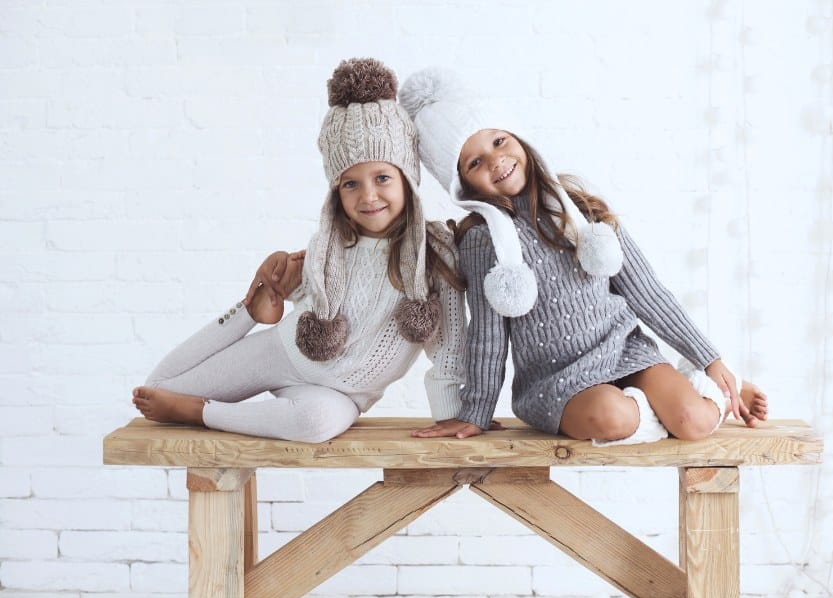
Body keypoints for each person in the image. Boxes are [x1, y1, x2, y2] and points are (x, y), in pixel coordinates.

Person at [398, 68, 767, 444]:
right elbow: (487, 335)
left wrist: (709, 358)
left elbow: (648, 293)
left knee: (695, 422)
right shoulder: (482, 241)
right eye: (474, 162)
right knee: (612, 418)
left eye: (499, 141)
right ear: (462, 184)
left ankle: (719, 390)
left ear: (519, 139)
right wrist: (475, 412)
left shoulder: (581, 210)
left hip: (625, 351)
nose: (495, 160)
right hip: (556, 381)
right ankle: (656, 409)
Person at [131, 58, 466, 442]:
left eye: (382, 177)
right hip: (281, 352)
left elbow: (449, 347)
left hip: (339, 395)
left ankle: (204, 413)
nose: (368, 196)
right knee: (159, 388)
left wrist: (449, 414)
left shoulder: (435, 255)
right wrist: (271, 292)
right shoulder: (330, 246)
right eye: (350, 184)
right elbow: (306, 292)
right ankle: (249, 315)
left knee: (316, 424)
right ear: (336, 192)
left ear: (407, 179)